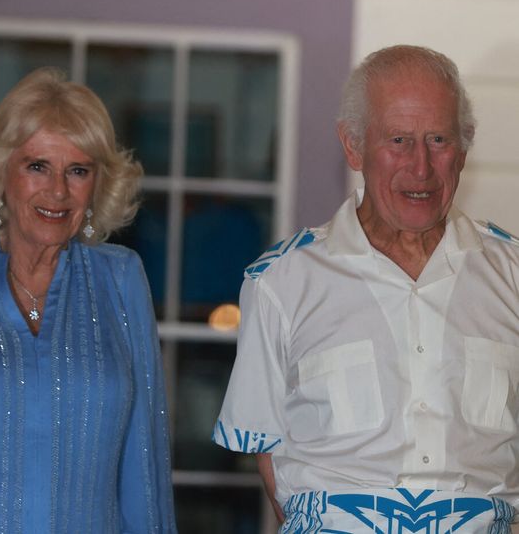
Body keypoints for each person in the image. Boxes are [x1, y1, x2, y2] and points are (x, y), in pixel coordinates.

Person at [213, 45, 519, 533]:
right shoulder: (281, 282)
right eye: (398, 140)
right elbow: (270, 460)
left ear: (464, 148)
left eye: (438, 139)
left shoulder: (511, 274)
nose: (420, 167)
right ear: (353, 145)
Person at [0, 67, 177, 533]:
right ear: (2, 170)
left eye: (78, 170)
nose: (58, 191)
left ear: (96, 184)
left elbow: (143, 465)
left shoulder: (120, 279)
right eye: (37, 166)